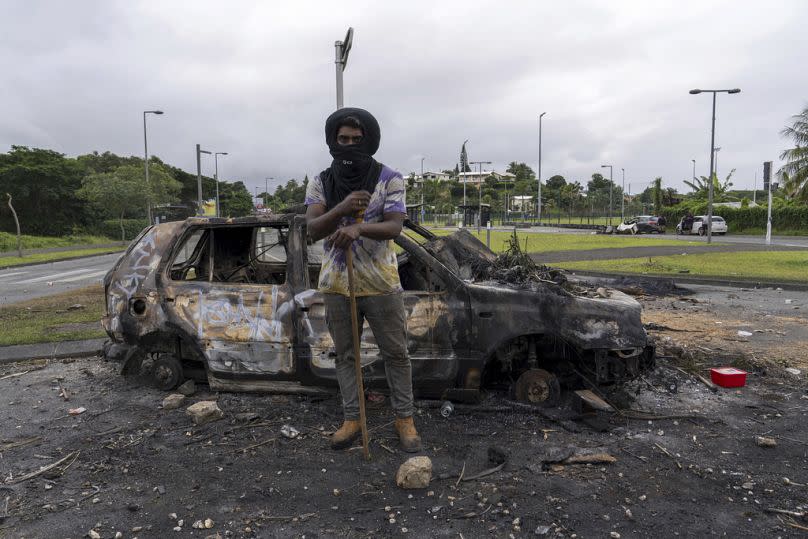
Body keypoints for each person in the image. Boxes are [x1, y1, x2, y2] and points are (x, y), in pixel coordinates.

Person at [304, 107, 422, 453]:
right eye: (343, 139)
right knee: (346, 355)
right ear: (332, 141)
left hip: (382, 284)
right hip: (339, 285)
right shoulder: (321, 181)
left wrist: (359, 228)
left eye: (357, 139)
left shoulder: (390, 178)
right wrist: (342, 209)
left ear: (369, 140)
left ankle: (405, 420)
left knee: (396, 354)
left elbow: (395, 226)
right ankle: (353, 419)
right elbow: (312, 228)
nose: (350, 144)